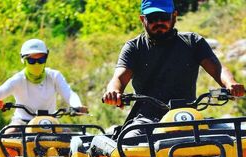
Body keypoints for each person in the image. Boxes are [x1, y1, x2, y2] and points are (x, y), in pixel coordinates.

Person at [102, 0, 245, 133]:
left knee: (235, 138)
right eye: (152, 18)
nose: (159, 22)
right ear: (142, 19)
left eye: (164, 17)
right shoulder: (134, 48)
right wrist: (113, 92)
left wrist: (230, 84)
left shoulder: (193, 42)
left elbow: (218, 68)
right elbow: (119, 78)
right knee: (129, 145)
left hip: (189, 117)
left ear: (174, 16)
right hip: (147, 121)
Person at [0, 38, 87, 132]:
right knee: (8, 135)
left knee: (70, 138)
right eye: (31, 60)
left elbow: (69, 94)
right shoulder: (18, 79)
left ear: (46, 58)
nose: (36, 64)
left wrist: (77, 106)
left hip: (50, 122)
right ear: (23, 60)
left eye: (41, 60)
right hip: (22, 122)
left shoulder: (55, 76)